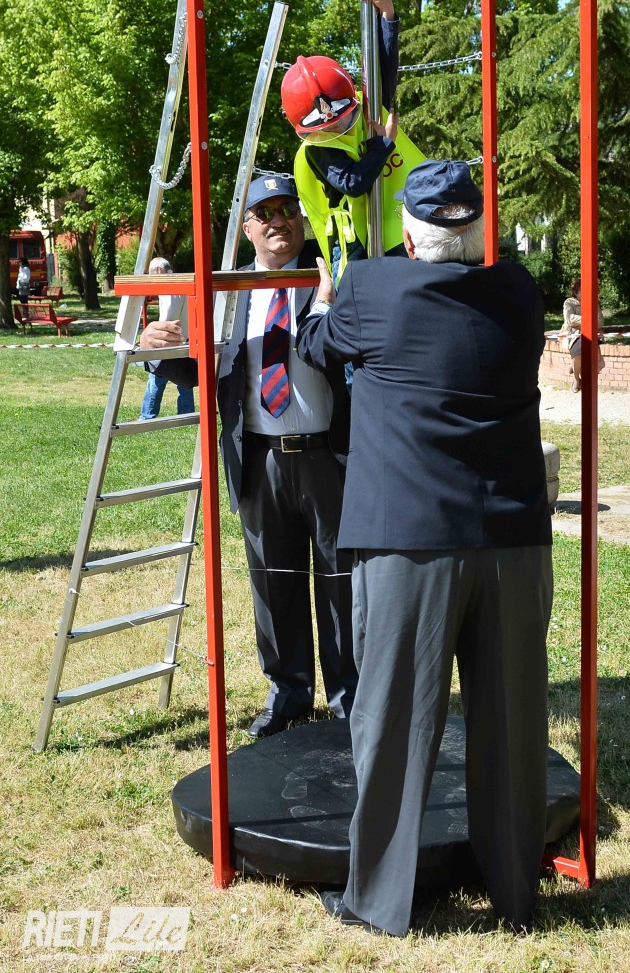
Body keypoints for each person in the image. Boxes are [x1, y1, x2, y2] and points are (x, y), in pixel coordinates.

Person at [296, 160, 553, 936]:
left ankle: (378, 900)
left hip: (409, 540)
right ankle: (514, 890)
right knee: (512, 723)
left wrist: (322, 298)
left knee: (394, 721)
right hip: (512, 538)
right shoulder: (519, 292)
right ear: (477, 230)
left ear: (408, 237)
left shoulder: (372, 288)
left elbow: (316, 347)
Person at [139, 175, 357, 738]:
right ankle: (288, 693)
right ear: (246, 228)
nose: (279, 220)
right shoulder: (228, 292)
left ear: (302, 219)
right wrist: (161, 350)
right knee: (272, 580)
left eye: (288, 209)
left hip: (330, 457)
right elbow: (203, 367)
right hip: (259, 460)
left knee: (341, 581)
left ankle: (348, 697)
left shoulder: (333, 278)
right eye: (265, 213)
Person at [281, 0, 424, 277]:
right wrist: (383, 144)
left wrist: (387, 14)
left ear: (350, 102)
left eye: (341, 119)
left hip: (401, 230)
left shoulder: (364, 108)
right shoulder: (318, 149)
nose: (334, 127)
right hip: (354, 246)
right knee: (357, 299)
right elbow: (353, 182)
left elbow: (384, 70)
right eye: (325, 127)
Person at [139, 258, 196, 419]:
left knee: (156, 380)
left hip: (169, 340)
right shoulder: (181, 282)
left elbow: (168, 317)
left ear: (158, 271)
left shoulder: (168, 286)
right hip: (185, 338)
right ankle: (187, 413)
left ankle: (147, 415)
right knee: (184, 381)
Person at [561, 278, 605, 392]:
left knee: (592, 357)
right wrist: (590, 320)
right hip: (573, 334)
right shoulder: (569, 302)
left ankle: (577, 368)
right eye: (583, 290)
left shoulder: (593, 302)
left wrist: (581, 324)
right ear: (576, 292)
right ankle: (576, 379)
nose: (586, 293)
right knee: (577, 353)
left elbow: (600, 321)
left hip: (592, 334)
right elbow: (570, 319)